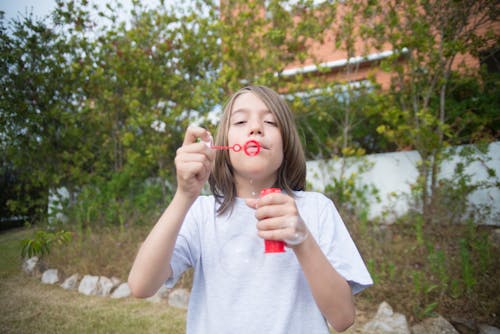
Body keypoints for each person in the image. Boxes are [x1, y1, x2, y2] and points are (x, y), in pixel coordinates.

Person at [128, 85, 373, 333]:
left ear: (286, 144)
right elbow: (141, 285)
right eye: (241, 121)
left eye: (270, 121)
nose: (255, 128)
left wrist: (302, 240)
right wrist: (184, 195)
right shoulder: (201, 212)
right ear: (223, 144)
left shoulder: (316, 209)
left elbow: (343, 318)